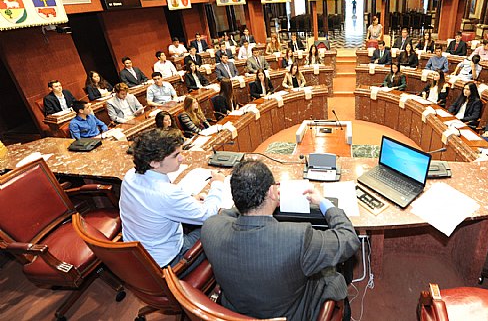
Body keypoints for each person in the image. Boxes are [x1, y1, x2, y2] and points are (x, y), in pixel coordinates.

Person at [200, 160, 360, 321]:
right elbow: (349, 239)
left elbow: (227, 214)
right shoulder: (297, 238)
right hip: (291, 314)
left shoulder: (210, 228)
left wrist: (255, 200)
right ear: (271, 191)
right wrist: (324, 203)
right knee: (333, 276)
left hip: (235, 312)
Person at [119, 128, 225, 270]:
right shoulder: (167, 194)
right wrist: (217, 183)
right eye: (176, 155)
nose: (181, 158)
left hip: (139, 255)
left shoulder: (130, 175)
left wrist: (189, 200)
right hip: (168, 262)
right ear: (154, 162)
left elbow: (158, 203)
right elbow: (208, 215)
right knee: (222, 226)